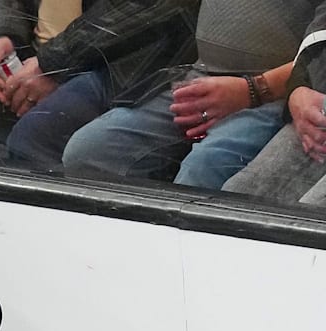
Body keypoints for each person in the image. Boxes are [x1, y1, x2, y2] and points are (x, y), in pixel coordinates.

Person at [0, 0, 198, 170]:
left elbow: (142, 11)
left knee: (35, 138)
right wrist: (2, 33)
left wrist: (53, 64)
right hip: (34, 54)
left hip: (117, 62)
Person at [62, 1, 326, 190]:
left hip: (274, 95)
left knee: (201, 172)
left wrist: (253, 89)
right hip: (199, 75)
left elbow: (318, 51)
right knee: (89, 151)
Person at [221, 11, 326, 203]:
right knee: (239, 196)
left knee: (309, 213)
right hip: (318, 105)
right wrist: (299, 88)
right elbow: (320, 29)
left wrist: (256, 89)